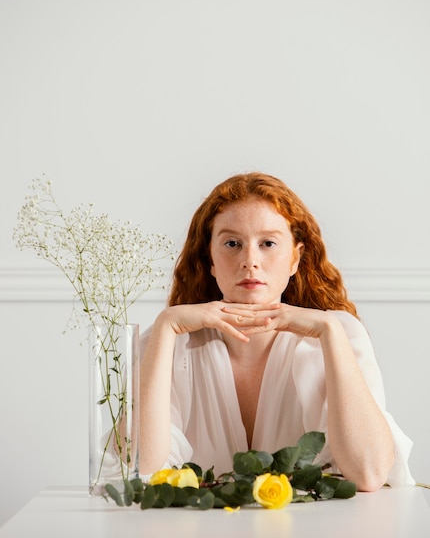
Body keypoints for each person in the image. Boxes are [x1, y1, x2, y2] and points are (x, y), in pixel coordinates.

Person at [139, 172, 414, 491]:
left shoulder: (340, 333)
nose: (250, 261)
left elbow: (368, 473)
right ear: (210, 260)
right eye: (232, 243)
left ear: (296, 258)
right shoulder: (169, 341)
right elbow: (141, 471)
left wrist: (328, 330)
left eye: (268, 243)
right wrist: (165, 325)